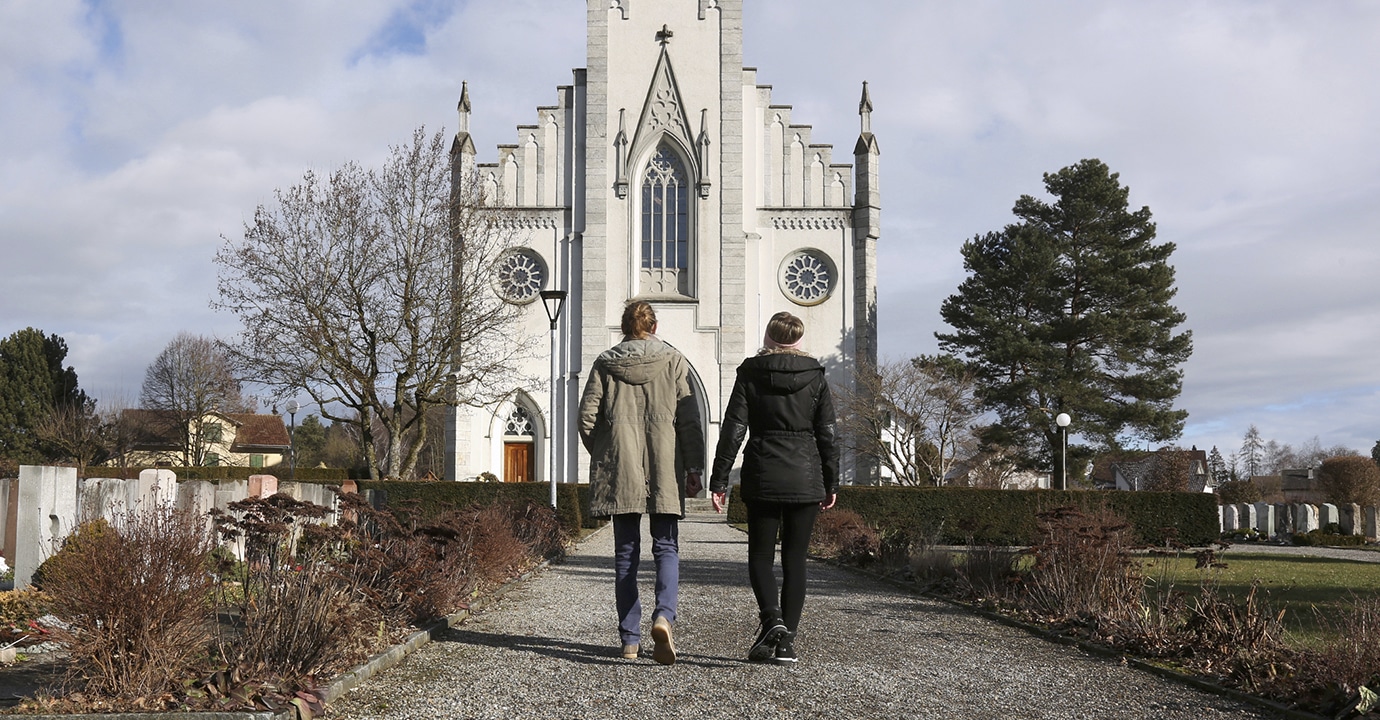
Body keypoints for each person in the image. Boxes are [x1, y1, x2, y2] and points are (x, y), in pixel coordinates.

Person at [579, 300, 704, 665]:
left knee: (625, 554)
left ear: (623, 327)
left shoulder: (606, 362)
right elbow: (690, 420)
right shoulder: (674, 361)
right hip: (665, 468)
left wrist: (607, 452)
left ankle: (630, 640)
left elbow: (586, 419)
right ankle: (664, 616)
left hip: (622, 469)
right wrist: (693, 466)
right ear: (655, 326)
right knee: (666, 546)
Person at [709, 311, 838, 665]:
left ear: (768, 337)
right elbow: (828, 433)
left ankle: (772, 619)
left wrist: (719, 479)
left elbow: (734, 429)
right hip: (805, 475)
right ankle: (785, 645)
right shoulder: (816, 376)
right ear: (799, 340)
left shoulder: (751, 373)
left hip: (763, 472)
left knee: (761, 556)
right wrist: (832, 481)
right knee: (796, 560)